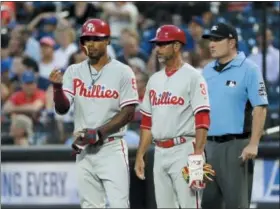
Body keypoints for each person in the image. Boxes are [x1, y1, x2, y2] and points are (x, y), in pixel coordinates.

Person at [49, 18, 139, 208]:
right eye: (86, 39)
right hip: (85, 149)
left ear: (107, 40)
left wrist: (99, 132)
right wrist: (57, 88)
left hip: (112, 147)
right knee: (89, 206)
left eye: (96, 38)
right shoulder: (74, 71)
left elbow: (128, 112)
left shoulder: (123, 71)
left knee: (119, 205)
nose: (90, 43)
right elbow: (62, 108)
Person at [134, 25, 212, 208]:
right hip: (160, 152)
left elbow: (202, 118)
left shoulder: (193, 77)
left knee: (189, 205)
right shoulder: (154, 80)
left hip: (185, 149)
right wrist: (140, 155)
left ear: (177, 46)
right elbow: (146, 122)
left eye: (162, 44)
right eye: (157, 44)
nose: (157, 49)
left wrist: (198, 155)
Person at [200, 22, 268, 209]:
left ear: (232, 43)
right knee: (205, 202)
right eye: (210, 40)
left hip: (235, 146)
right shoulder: (206, 71)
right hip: (207, 147)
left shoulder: (249, 69)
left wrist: (253, 143)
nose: (211, 44)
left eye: (217, 40)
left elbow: (260, 108)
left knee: (236, 204)